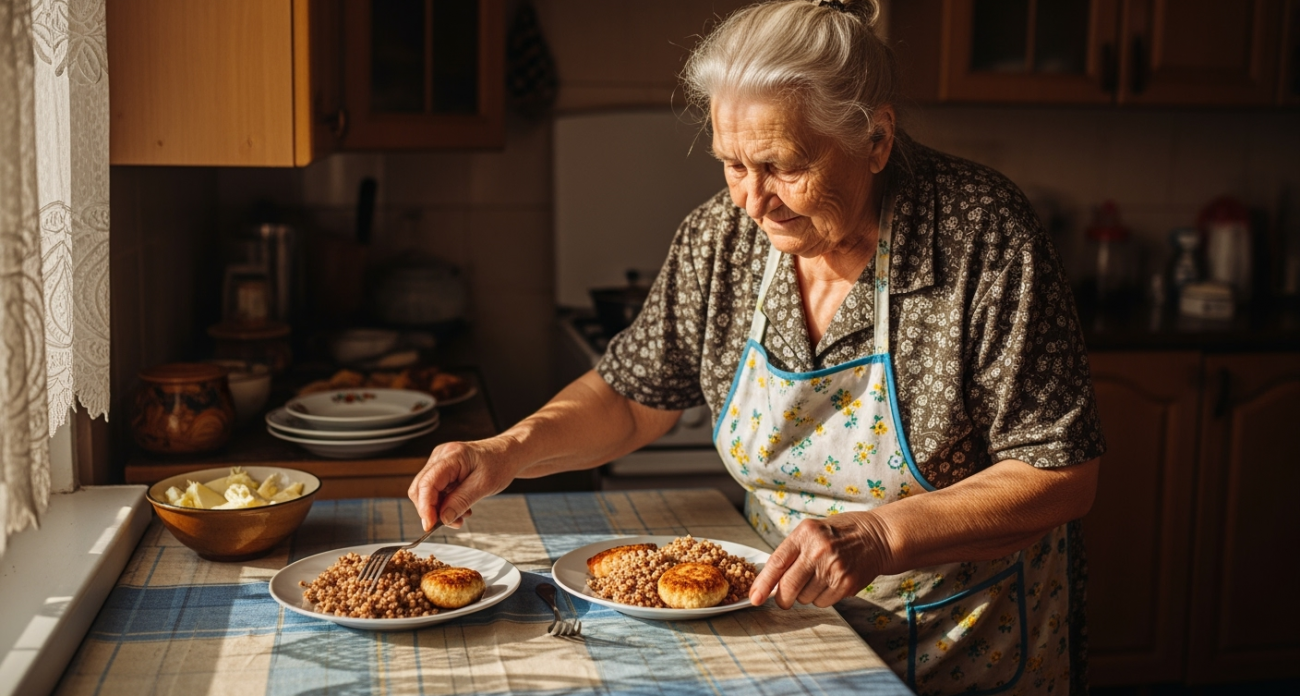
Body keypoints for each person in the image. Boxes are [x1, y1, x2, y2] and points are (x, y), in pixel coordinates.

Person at [409, 1, 1104, 693]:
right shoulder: (723, 238)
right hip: (782, 621)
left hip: (962, 642)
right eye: (732, 165)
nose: (752, 200)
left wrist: (878, 537)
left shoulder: (982, 239)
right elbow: (628, 397)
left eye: (781, 166)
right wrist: (506, 451)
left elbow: (1058, 473)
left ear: (877, 140)